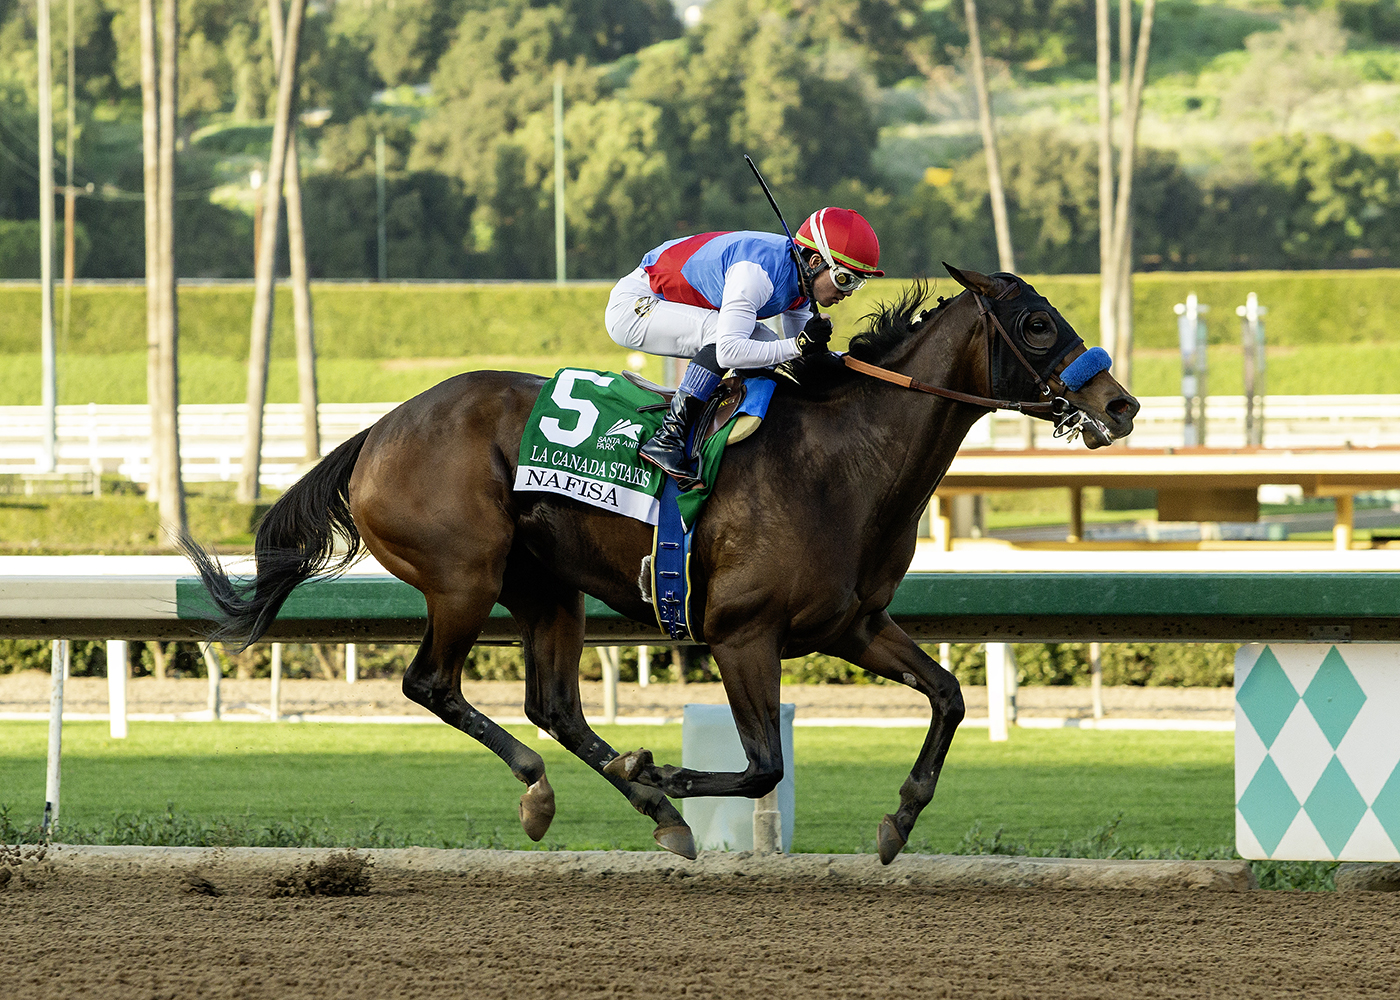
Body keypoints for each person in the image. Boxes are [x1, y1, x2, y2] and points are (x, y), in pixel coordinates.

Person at [605, 207, 883, 487]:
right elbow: (729, 351)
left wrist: (848, 363)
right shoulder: (756, 274)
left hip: (670, 302)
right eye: (845, 279)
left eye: (858, 283)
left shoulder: (803, 282)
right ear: (814, 261)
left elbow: (807, 361)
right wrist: (800, 344)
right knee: (727, 336)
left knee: (769, 345)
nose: (847, 292)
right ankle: (669, 437)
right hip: (635, 306)